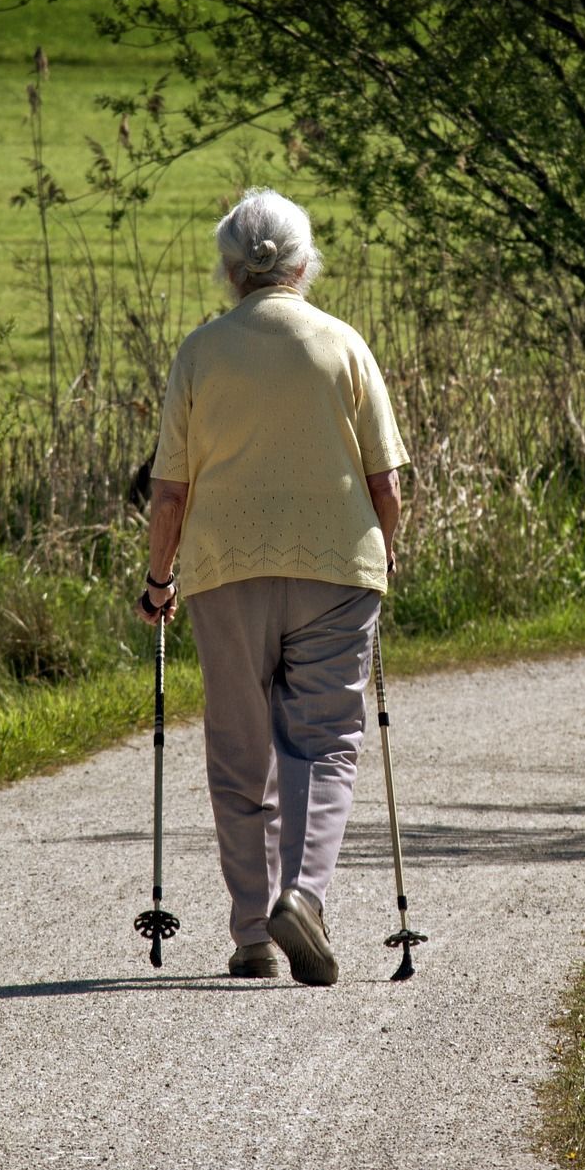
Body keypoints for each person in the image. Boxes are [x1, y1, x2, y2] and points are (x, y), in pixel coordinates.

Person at [136, 188, 408, 986]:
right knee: (323, 741)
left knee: (239, 750)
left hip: (225, 572)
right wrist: (385, 552)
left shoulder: (201, 352)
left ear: (230, 270)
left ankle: (254, 932)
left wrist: (159, 581)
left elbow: (169, 495)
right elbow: (385, 479)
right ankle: (304, 895)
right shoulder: (343, 344)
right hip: (336, 570)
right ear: (302, 262)